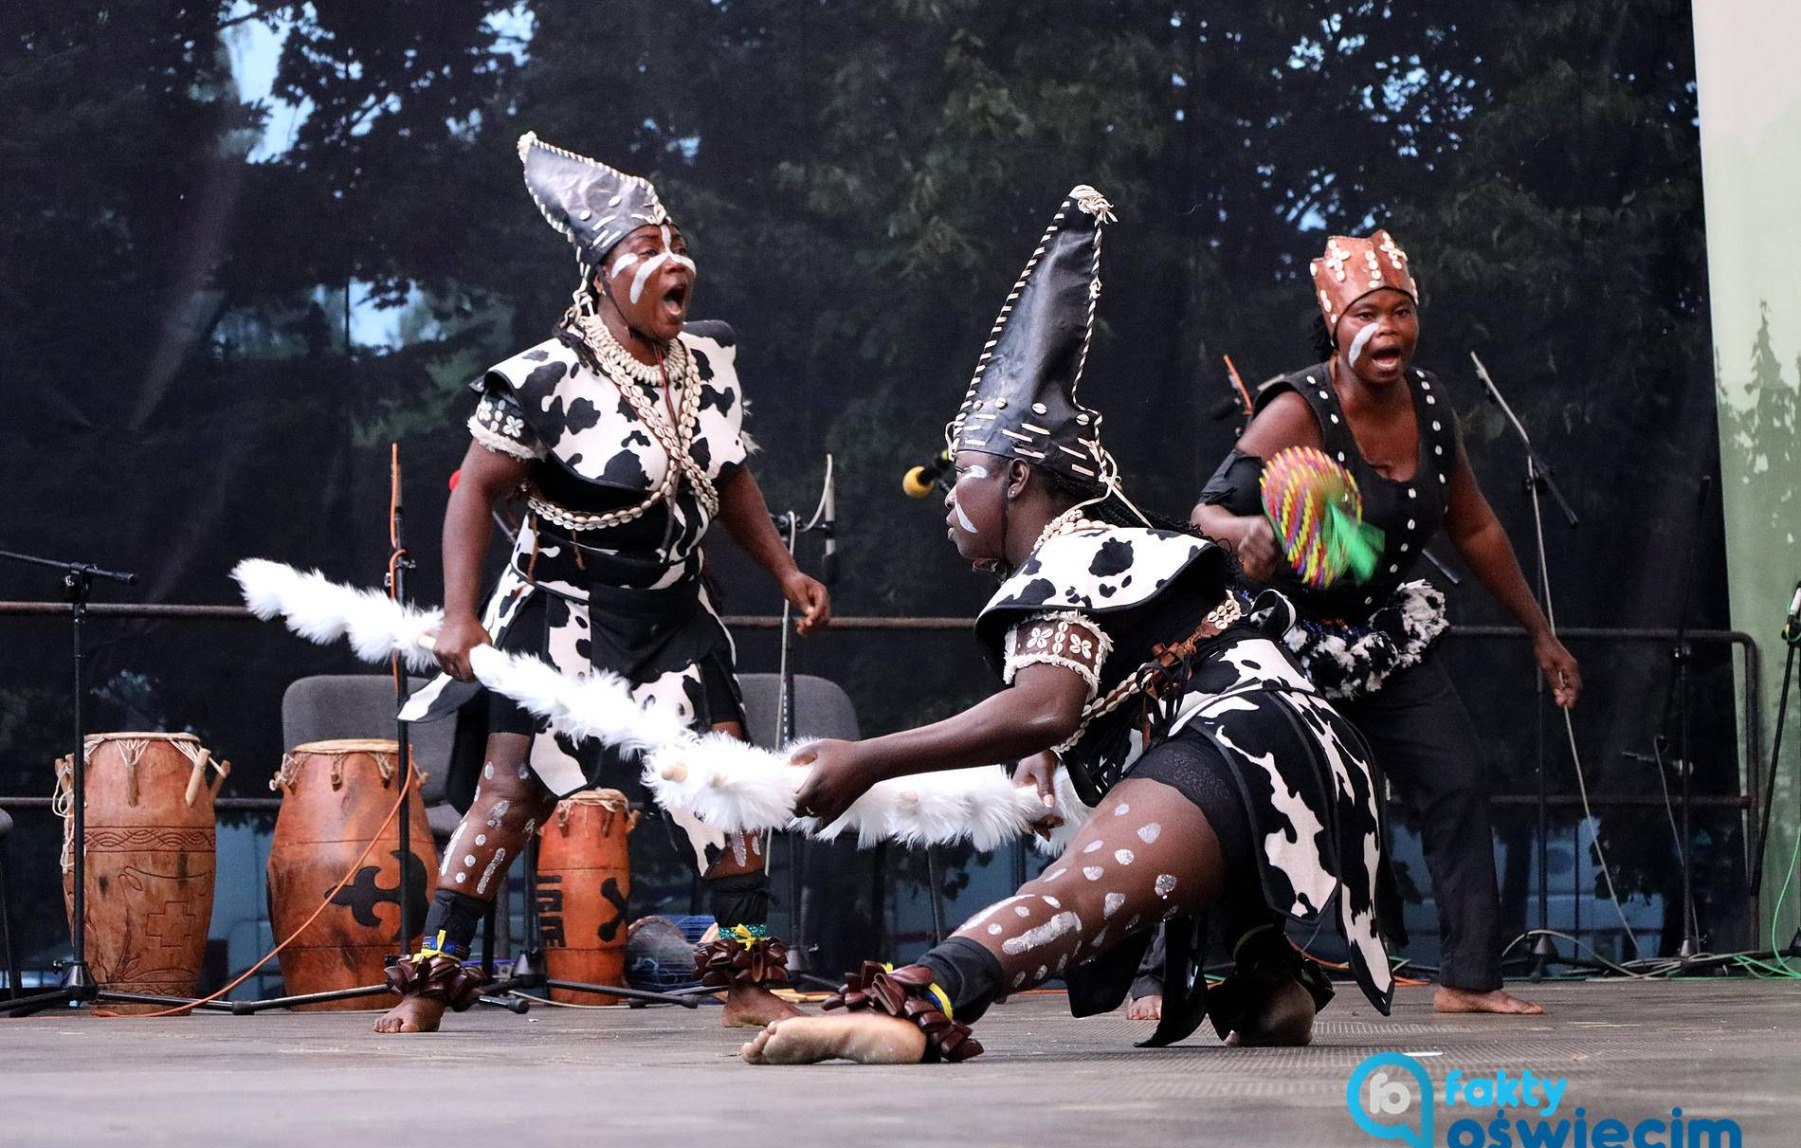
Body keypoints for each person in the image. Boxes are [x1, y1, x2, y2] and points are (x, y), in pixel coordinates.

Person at [737, 187, 1394, 1066]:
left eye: (962, 471)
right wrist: (1047, 752)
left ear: (1014, 479)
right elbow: (1087, 696)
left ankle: (914, 1003)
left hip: (1241, 745)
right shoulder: (1099, 552)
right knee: (1166, 880)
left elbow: (1043, 708)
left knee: (1077, 888)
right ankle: (1268, 974)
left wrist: (868, 758)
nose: (948, 500)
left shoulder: (1067, 554)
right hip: (1305, 755)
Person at [379, 132, 831, 1034]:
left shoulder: (707, 368)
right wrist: (460, 615)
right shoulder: (543, 378)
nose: (674, 262)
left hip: (673, 615)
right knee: (512, 794)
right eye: (645, 249)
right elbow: (473, 492)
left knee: (720, 777)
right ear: (598, 276)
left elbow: (727, 474)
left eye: (675, 244)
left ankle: (742, 982)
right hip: (561, 616)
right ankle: (428, 982)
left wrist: (782, 569)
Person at [1189, 230, 1580, 1016]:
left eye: (1401, 311)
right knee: (1248, 798)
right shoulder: (1296, 408)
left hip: (1382, 636)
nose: (1388, 329)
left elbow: (1473, 530)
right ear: (1334, 322)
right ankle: (1189, 970)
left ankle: (1469, 979)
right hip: (1289, 642)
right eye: (1367, 312)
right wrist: (1243, 534)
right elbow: (1204, 511)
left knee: (1456, 780)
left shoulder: (1431, 408)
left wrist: (1540, 631)